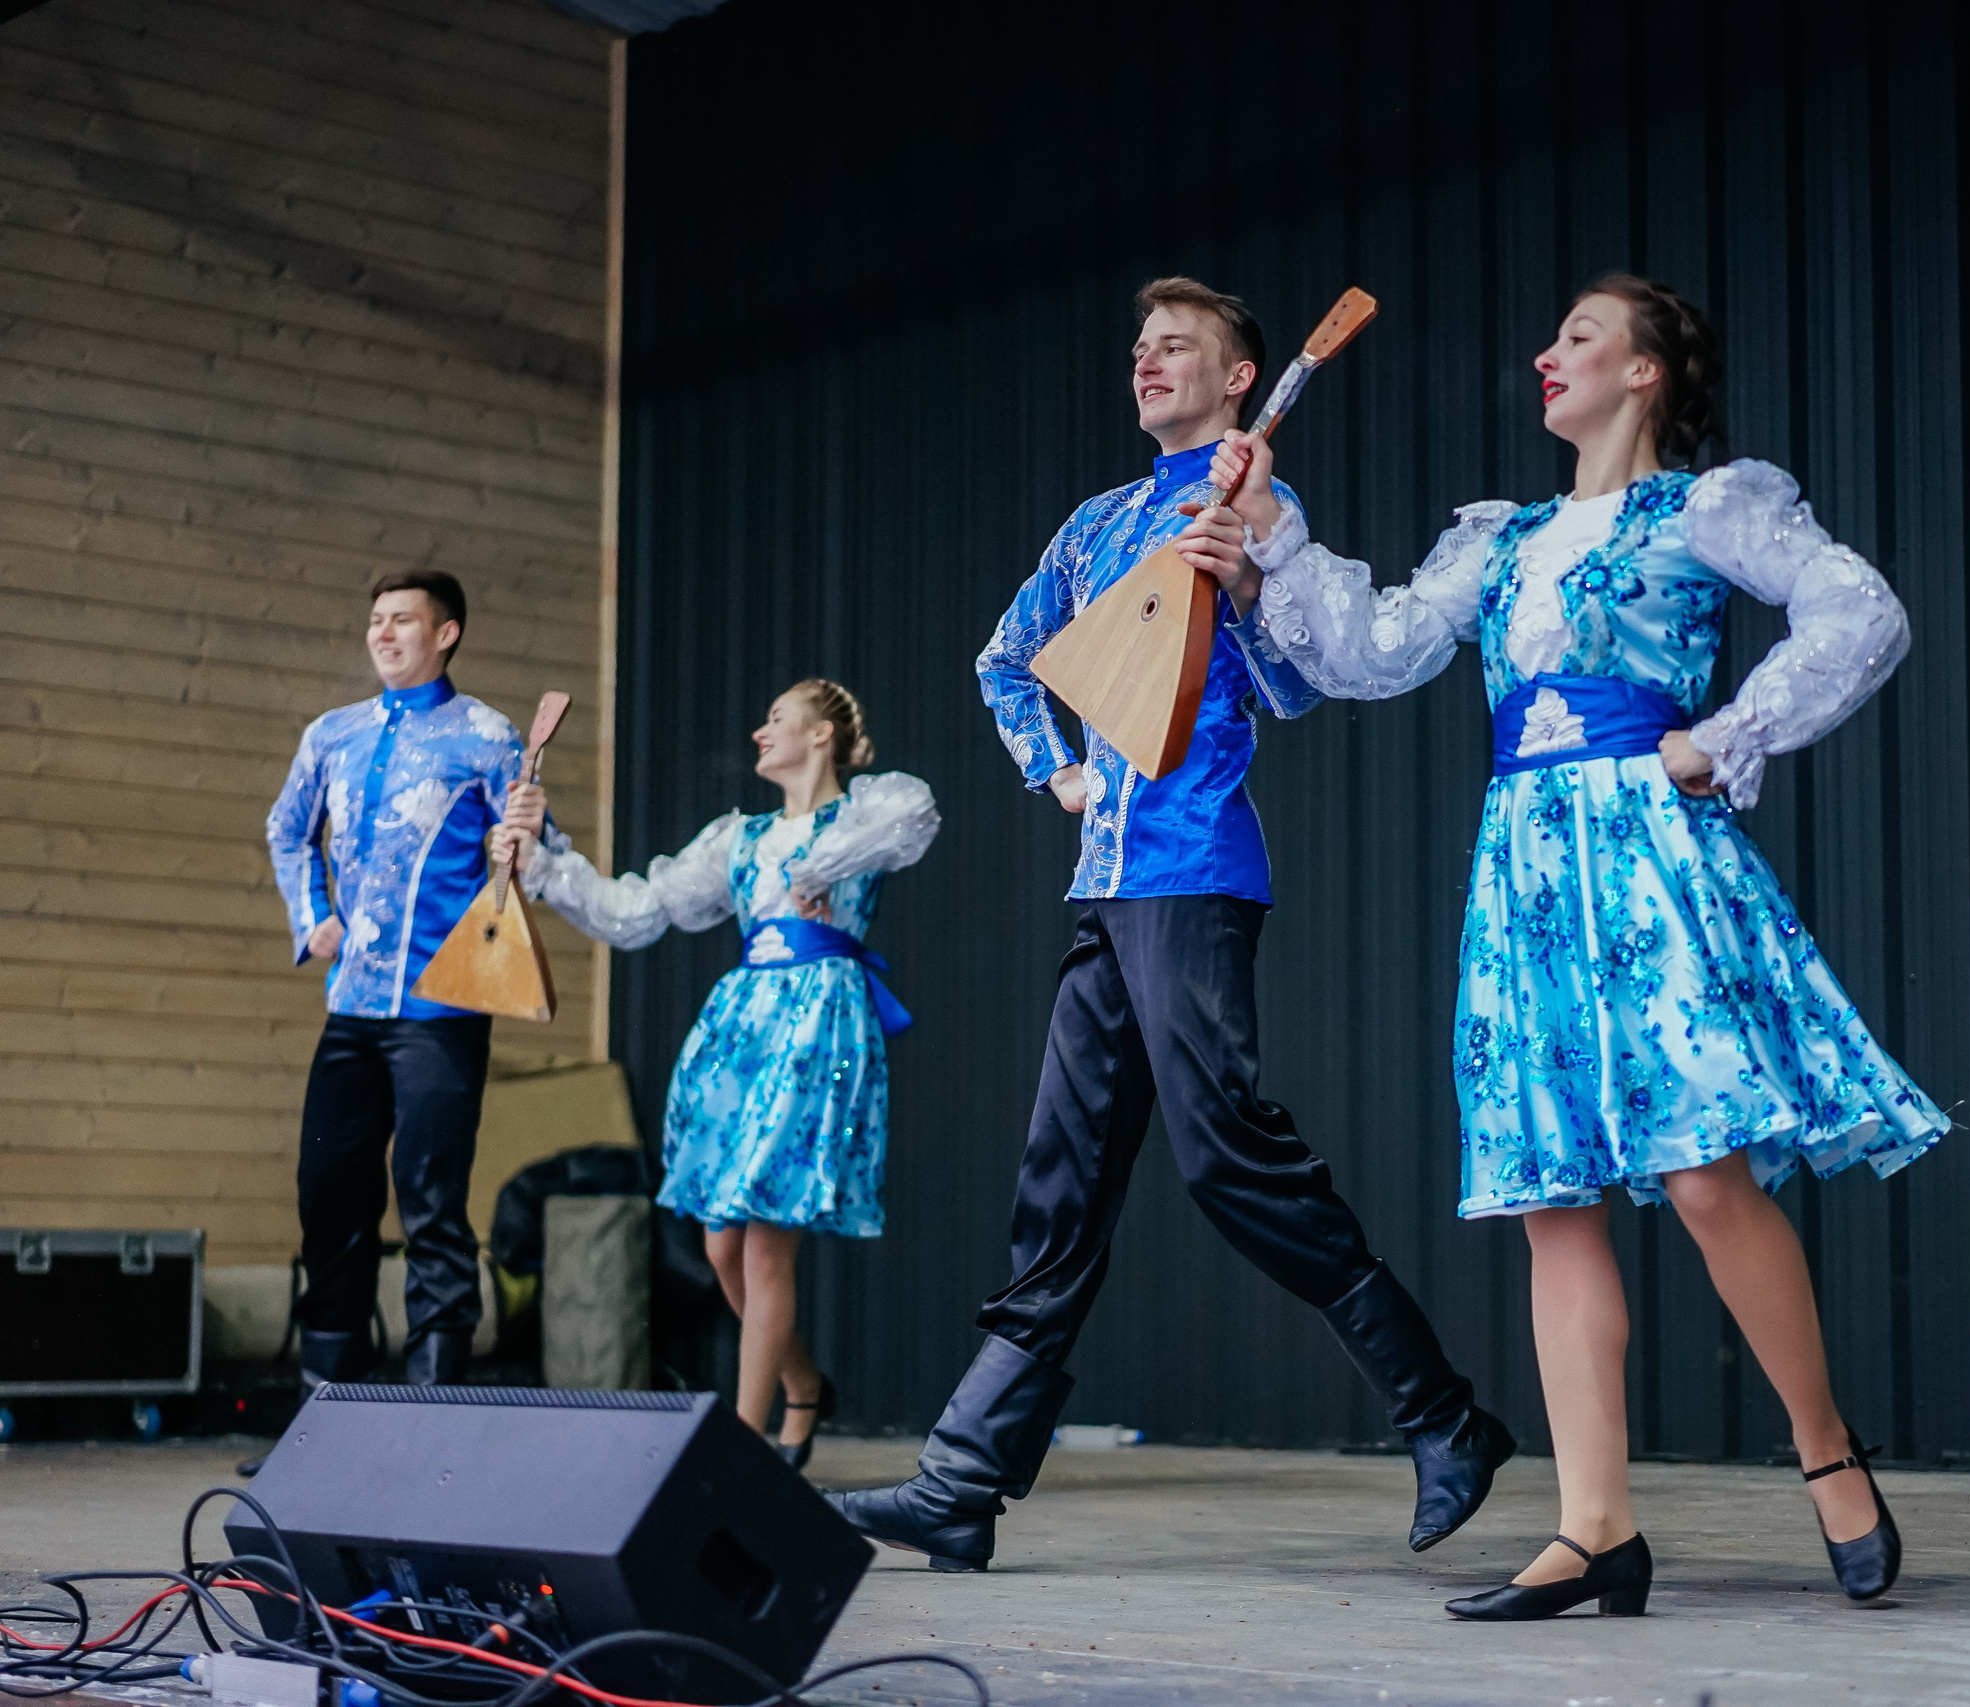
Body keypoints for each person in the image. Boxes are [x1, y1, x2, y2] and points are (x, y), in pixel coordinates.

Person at [1212, 274, 1950, 1619]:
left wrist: (1724, 734)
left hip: (1648, 851)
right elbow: (1372, 652)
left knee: (1706, 1173)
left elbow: (1861, 612)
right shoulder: (1502, 539)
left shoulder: (1712, 506)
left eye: (1581, 336)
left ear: (1649, 371)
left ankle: (1826, 1448)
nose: (1547, 355)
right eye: (1552, 337)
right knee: (1552, 1196)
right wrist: (1269, 534)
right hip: (1527, 867)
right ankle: (1595, 1523)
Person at [831, 276, 1514, 1572]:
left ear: (1241, 375)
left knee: (1224, 1153)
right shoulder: (1094, 524)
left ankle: (1444, 1414)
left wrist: (1251, 587)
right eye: (1138, 344)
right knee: (1061, 1179)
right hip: (1103, 880)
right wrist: (1056, 770)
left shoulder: (1258, 501)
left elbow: (1305, 681)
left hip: (1195, 871)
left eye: (1178, 346)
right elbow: (1005, 655)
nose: (1147, 360)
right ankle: (961, 1476)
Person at [499, 680, 937, 1468]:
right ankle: (802, 1382)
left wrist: (819, 865)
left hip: (816, 1020)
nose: (759, 729)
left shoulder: (866, 815)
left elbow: (914, 816)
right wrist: (544, 859)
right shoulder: (738, 838)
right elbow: (634, 909)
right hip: (742, 1027)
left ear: (822, 736)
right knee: (720, 1245)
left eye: (776, 717)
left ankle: (739, 1444)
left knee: (766, 1244)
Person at [264, 569, 522, 1398]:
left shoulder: (487, 734)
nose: (383, 633)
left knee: (431, 1202)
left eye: (402, 620)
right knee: (328, 1195)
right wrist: (314, 917)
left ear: (445, 632)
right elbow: (287, 828)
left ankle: (432, 1411)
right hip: (350, 1007)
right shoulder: (331, 734)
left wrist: (525, 839)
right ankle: (324, 1410)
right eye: (375, 619)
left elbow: (533, 855)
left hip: (441, 1007)